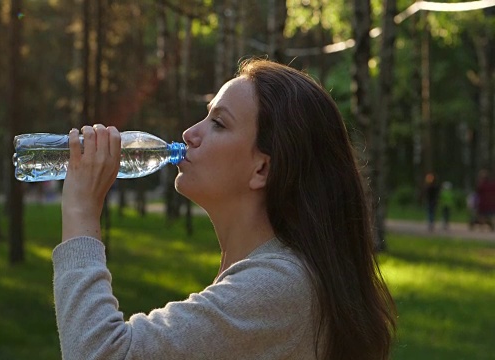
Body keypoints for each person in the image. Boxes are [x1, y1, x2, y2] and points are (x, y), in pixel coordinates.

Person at [53, 59, 396, 360]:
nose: (189, 133)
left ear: (262, 170)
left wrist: (82, 211)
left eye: (218, 123)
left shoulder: (278, 288)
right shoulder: (272, 277)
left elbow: (98, 352)